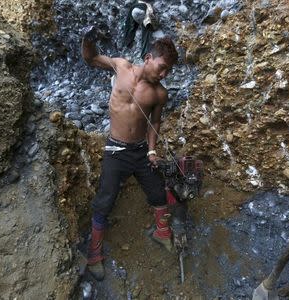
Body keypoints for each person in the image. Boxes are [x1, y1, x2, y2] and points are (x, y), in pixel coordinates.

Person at [80, 30, 178, 281]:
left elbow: (155, 123)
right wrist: (87, 40)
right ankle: (94, 255)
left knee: (158, 193)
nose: (164, 74)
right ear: (148, 58)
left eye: (168, 71)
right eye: (162, 67)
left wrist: (153, 150)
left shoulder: (160, 94)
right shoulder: (121, 67)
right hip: (116, 150)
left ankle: (162, 233)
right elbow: (91, 59)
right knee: (105, 200)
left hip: (140, 152)